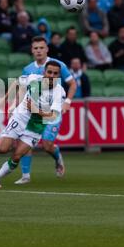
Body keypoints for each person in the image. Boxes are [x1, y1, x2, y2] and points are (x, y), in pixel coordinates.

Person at [0, 61, 66, 188]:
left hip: (35, 127)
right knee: (2, 149)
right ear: (44, 73)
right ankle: (14, 143)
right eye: (49, 72)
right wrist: (6, 98)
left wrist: (36, 110)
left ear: (59, 76)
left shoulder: (60, 92)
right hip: (20, 118)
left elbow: (53, 116)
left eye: (55, 73)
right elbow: (17, 82)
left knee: (17, 156)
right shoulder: (33, 78)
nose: (52, 75)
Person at [14, 36, 77, 184]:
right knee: (26, 141)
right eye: (35, 48)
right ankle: (25, 176)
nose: (38, 51)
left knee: (47, 146)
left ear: (47, 49)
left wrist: (67, 101)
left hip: (51, 112)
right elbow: (22, 88)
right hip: (33, 112)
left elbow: (73, 84)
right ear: (32, 50)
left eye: (41, 48)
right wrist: (17, 106)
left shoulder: (58, 65)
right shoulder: (28, 69)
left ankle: (57, 158)